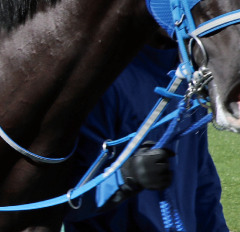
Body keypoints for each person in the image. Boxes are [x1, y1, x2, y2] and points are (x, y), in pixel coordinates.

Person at [64, 46, 227, 232]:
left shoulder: (189, 79)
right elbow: (68, 202)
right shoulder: (102, 80)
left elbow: (203, 184)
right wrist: (125, 178)